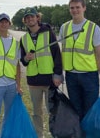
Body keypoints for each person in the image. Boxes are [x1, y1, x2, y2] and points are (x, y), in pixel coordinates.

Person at [59, 0, 100, 122]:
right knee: (76, 111)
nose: (75, 10)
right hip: (71, 76)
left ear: (84, 8)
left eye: (78, 7)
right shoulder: (64, 28)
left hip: (89, 77)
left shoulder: (94, 28)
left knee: (90, 111)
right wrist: (60, 73)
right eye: (72, 8)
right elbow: (62, 53)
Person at [20, 7, 63, 138]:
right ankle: (39, 135)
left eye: (32, 16)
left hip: (50, 80)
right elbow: (23, 61)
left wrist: (57, 74)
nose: (30, 19)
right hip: (33, 81)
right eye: (27, 18)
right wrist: (26, 58)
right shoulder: (24, 38)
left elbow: (57, 54)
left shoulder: (48, 33)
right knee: (37, 112)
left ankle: (55, 134)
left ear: (37, 17)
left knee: (53, 111)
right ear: (25, 21)